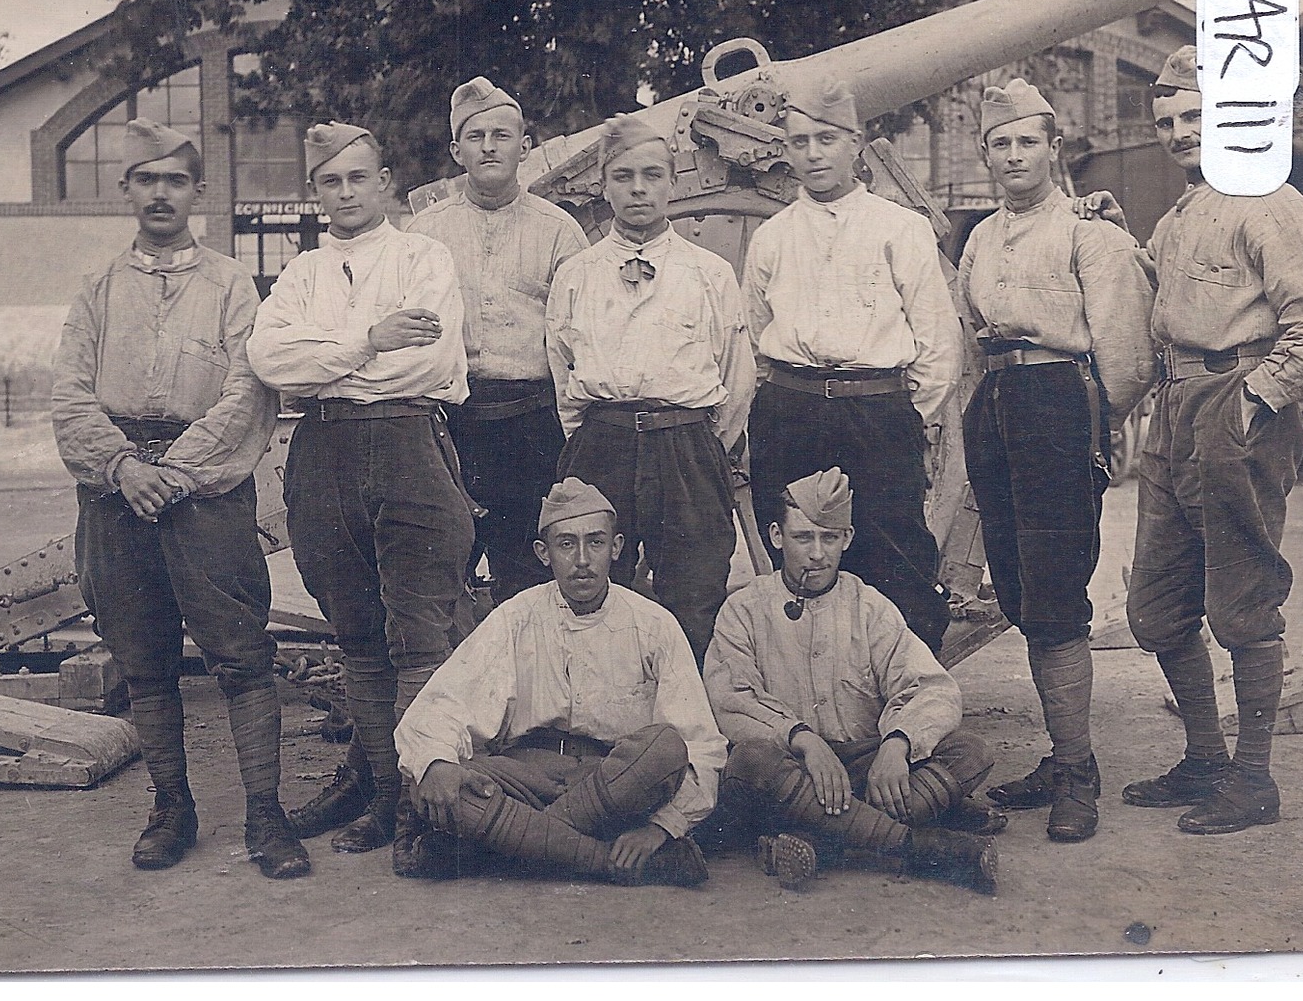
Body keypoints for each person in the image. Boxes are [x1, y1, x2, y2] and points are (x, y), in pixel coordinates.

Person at [52, 118, 309, 879]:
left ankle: (266, 814)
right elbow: (68, 397)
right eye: (145, 179)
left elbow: (248, 390)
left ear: (197, 191)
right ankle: (171, 806)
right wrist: (126, 467)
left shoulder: (231, 283)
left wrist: (179, 469)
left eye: (174, 179)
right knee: (144, 657)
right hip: (115, 493)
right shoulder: (97, 290)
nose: (160, 193)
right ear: (126, 189)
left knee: (239, 654)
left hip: (204, 488)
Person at [1116, 46, 1303, 833]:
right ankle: (1204, 759)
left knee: (1244, 605)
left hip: (1234, 398)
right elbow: (1168, 297)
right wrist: (1117, 234)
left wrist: (1255, 397)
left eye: (1194, 116)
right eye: (1166, 122)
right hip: (1174, 403)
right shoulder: (1182, 213)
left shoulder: (1269, 201)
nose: (1180, 133)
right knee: (1155, 610)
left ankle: (1252, 778)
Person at [246, 122, 475, 863]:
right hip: (325, 453)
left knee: (419, 634)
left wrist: (332, 356)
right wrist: (369, 340)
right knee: (356, 633)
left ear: (384, 181)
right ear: (315, 192)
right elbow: (273, 361)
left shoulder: (423, 256)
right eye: (330, 182)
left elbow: (428, 361)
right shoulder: (300, 274)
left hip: (409, 440)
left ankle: (424, 804)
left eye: (358, 178)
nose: (345, 193)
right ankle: (382, 796)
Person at [958, 79, 1156, 843]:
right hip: (997, 401)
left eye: (1026, 141)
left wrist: (1091, 433)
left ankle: (1076, 770)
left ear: (1052, 149)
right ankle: (1060, 753)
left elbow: (1125, 357)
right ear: (984, 154)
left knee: (1054, 590)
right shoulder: (977, 236)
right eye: (999, 143)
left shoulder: (1086, 232)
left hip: (1055, 404)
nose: (1013, 155)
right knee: (1014, 586)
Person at [392, 477, 727, 887]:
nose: (582, 559)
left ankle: (513, 845)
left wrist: (661, 827)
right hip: (527, 777)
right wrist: (438, 763)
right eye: (566, 544)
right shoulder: (516, 617)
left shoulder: (654, 624)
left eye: (596, 543)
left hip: (614, 785)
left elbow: (699, 744)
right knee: (442, 779)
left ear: (617, 547)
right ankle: (604, 860)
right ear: (543, 553)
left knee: (665, 748)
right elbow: (442, 704)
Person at [741, 79, 961, 655]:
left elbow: (938, 337)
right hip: (790, 409)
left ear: (857, 144)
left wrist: (909, 416)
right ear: (785, 151)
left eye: (827, 139)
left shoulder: (898, 228)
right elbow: (752, 334)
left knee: (894, 553)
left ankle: (906, 701)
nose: (813, 154)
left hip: (876, 410)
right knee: (797, 554)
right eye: (799, 142)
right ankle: (804, 688)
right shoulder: (770, 238)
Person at [703, 468, 1000, 894]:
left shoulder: (870, 606)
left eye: (830, 538)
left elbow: (932, 687)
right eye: (803, 537)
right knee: (751, 761)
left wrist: (897, 744)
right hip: (791, 767)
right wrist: (804, 740)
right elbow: (731, 700)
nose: (817, 555)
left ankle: (822, 838)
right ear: (776, 536)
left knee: (971, 751)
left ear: (848, 538)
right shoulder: (744, 609)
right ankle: (917, 846)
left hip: (863, 765)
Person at [545, 113, 754, 666]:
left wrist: (700, 442)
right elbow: (562, 369)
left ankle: (689, 734)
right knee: (592, 587)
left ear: (673, 182)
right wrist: (598, 433)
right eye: (624, 176)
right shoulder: (577, 274)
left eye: (653, 175)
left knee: (695, 590)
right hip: (602, 443)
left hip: (686, 446)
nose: (639, 189)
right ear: (603, 184)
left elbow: (735, 374)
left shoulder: (707, 273)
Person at [408, 76, 589, 604]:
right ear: (456, 150)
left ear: (525, 147)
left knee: (528, 574)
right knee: (443, 570)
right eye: (476, 135)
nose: (489, 146)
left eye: (502, 135)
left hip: (531, 425)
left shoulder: (560, 231)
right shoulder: (426, 233)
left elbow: (579, 339)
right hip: (450, 423)